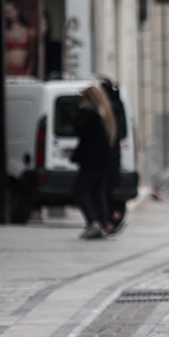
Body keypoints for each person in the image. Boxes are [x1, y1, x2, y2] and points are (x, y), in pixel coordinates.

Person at [72, 85, 117, 240]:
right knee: (97, 192)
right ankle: (102, 223)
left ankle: (93, 222)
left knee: (79, 190)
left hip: (92, 161)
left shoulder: (92, 116)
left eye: (86, 98)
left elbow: (79, 129)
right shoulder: (106, 116)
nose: (84, 102)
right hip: (102, 161)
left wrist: (81, 111)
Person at [100, 78, 128, 235]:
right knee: (111, 190)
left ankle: (110, 219)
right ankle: (113, 217)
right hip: (114, 156)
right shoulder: (118, 106)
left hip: (107, 157)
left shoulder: (107, 109)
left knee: (105, 190)